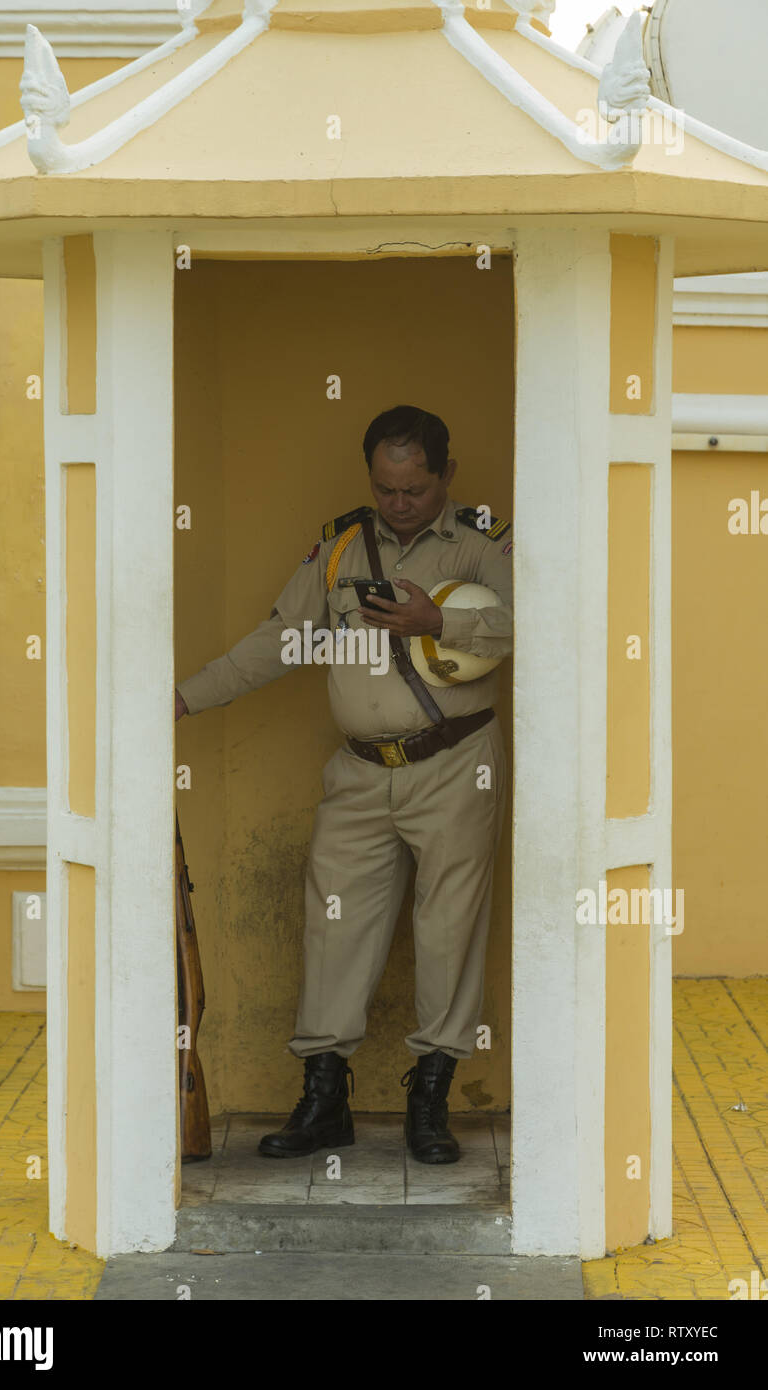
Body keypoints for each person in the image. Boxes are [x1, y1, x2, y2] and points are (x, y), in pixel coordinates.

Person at [175, 405, 513, 1164]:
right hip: (359, 771)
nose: (399, 504)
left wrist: (438, 622)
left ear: (446, 477)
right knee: (332, 929)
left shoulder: (485, 542)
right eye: (387, 488)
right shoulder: (339, 550)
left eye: (416, 489)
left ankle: (432, 1098)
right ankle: (325, 1098)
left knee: (450, 928)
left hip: (457, 762)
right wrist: (186, 695)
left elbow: (538, 625)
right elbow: (279, 642)